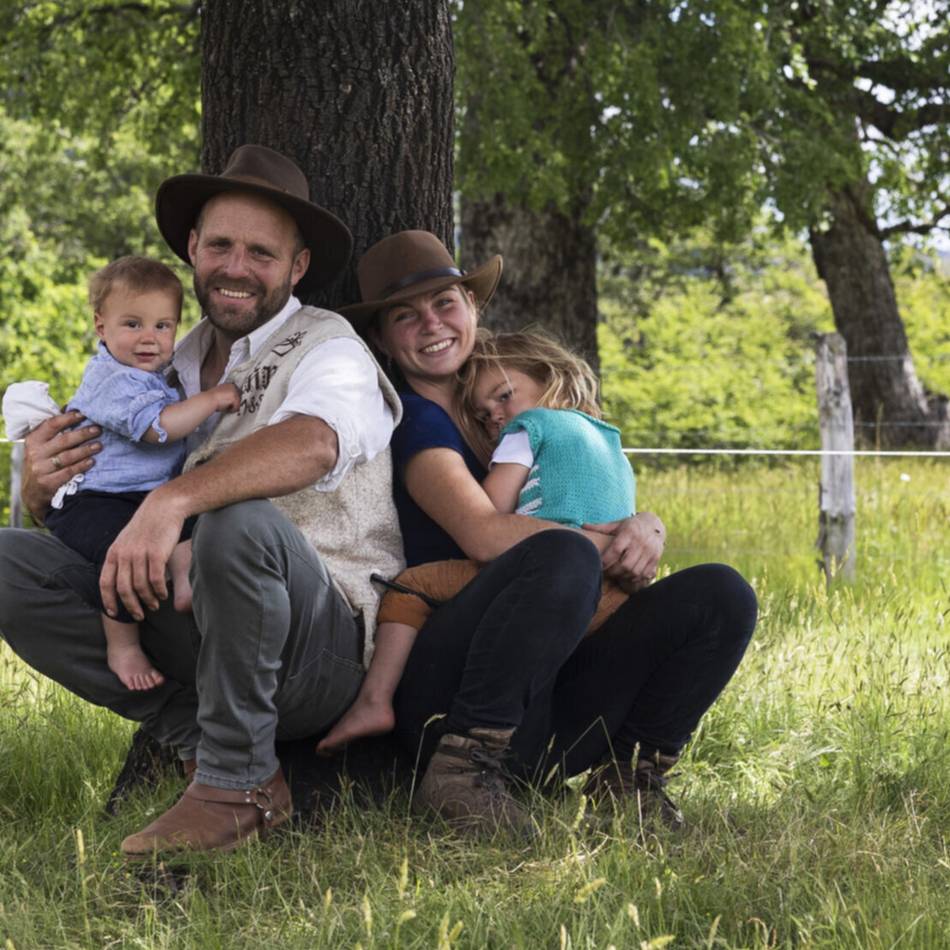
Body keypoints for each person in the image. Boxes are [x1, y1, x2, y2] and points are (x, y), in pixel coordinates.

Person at [0, 145, 405, 855]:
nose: (236, 266)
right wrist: (43, 491)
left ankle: (235, 787)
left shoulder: (329, 346)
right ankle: (193, 735)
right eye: (220, 245)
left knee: (236, 523)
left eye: (262, 252)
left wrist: (171, 502)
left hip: (318, 644)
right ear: (192, 248)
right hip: (196, 626)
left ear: (297, 267)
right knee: (7, 560)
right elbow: (100, 488)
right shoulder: (163, 355)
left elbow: (314, 443)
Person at [338, 230, 758, 836]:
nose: (431, 324)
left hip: (545, 701)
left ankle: (629, 779)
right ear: (382, 339)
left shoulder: (504, 410)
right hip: (451, 697)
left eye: (445, 303)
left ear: (472, 307)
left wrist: (646, 524)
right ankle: (460, 773)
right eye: (405, 315)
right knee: (561, 553)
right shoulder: (417, 420)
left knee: (721, 593)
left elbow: (579, 498)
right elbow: (485, 534)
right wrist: (612, 546)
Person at [317, 328, 637, 754]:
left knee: (411, 587)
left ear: (549, 377)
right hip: (612, 591)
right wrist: (629, 536)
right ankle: (630, 761)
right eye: (484, 415)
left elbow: (490, 516)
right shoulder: (609, 438)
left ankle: (375, 701)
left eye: (504, 397)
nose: (496, 418)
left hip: (555, 576)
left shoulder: (527, 428)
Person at [3, 256, 241, 691]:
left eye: (162, 326)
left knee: (194, 527)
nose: (149, 338)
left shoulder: (148, 375)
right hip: (94, 501)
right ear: (101, 326)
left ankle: (184, 577)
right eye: (133, 324)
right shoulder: (113, 380)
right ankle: (122, 644)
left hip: (138, 496)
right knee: (121, 553)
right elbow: (157, 428)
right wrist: (211, 400)